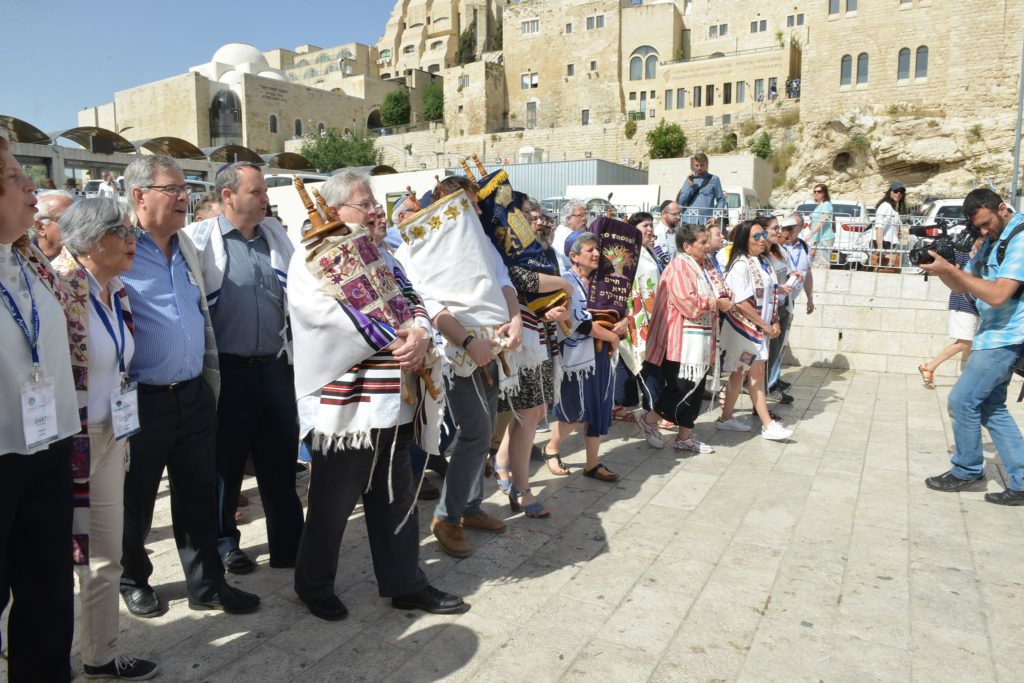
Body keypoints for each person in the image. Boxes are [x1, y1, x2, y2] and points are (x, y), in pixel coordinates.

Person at [290, 169, 467, 618]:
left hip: (398, 399)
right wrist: (397, 338)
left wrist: (422, 333)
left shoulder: (384, 255)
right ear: (335, 211)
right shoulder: (311, 255)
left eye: (373, 204)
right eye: (364, 204)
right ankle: (313, 586)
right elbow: (324, 317)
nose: (373, 212)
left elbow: (413, 297)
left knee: (396, 496)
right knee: (332, 503)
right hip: (348, 409)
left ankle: (405, 582)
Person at [119, 155, 260, 618]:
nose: (184, 197)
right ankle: (133, 578)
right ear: (140, 196)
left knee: (198, 493)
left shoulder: (185, 244)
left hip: (194, 392)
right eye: (171, 189)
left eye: (185, 188)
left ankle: (207, 584)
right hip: (141, 399)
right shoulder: (117, 246)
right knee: (135, 500)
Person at [52, 197, 158, 681]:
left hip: (112, 436)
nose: (134, 239)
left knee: (105, 557)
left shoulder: (115, 290)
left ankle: (101, 655)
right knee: (47, 562)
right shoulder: (57, 286)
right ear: (95, 241)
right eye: (124, 231)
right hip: (62, 445)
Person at [185, 161, 304, 575]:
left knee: (279, 462)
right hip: (228, 374)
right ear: (227, 196)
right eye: (255, 192)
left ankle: (289, 544)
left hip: (275, 368)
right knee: (226, 465)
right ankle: (225, 544)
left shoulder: (276, 239)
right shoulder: (199, 244)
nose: (264, 198)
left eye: (264, 191)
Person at [0, 136, 82, 682]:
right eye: (12, 177)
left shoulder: (26, 261)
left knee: (48, 589)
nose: (31, 184)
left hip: (46, 445)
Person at [920, 188, 1024, 504]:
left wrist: (952, 271)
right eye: (977, 227)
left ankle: (967, 471)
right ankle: (1022, 481)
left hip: (1008, 336)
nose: (983, 231)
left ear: (1002, 208)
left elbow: (996, 295)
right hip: (991, 334)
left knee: (962, 400)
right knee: (992, 407)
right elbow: (964, 285)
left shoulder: (1020, 239)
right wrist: (942, 268)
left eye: (986, 223)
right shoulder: (993, 241)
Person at [638, 225, 732, 453]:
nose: (707, 246)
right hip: (679, 340)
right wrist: (716, 303)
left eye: (707, 241)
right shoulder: (679, 266)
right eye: (702, 242)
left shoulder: (707, 265)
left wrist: (724, 299)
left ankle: (685, 437)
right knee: (681, 387)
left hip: (702, 340)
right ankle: (650, 420)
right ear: (687, 246)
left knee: (697, 388)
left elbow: (723, 289)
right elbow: (688, 303)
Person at [545, 231, 625, 482]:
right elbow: (578, 322)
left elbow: (618, 309)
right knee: (576, 408)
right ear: (573, 256)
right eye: (590, 250)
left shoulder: (603, 282)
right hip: (577, 358)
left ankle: (592, 463)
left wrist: (622, 323)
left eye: (597, 249)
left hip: (600, 354)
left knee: (599, 408)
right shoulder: (565, 282)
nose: (596, 254)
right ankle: (551, 448)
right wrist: (612, 336)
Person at [716, 220, 793, 441]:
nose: (762, 240)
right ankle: (767, 424)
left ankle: (725, 417)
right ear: (744, 240)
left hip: (760, 328)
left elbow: (772, 293)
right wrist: (764, 325)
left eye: (762, 236)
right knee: (756, 373)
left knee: (739, 373)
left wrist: (775, 320)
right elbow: (740, 302)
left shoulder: (763, 262)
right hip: (745, 331)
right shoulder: (740, 265)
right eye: (756, 237)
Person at [614, 211, 664, 421]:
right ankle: (644, 407)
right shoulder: (627, 253)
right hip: (634, 314)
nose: (650, 229)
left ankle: (625, 403)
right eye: (645, 225)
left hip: (651, 313)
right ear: (633, 230)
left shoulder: (650, 252)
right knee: (636, 358)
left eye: (652, 225)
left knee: (636, 360)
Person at [919, 246, 981, 389]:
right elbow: (950, 271)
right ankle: (929, 366)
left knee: (971, 343)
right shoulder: (962, 254)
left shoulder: (981, 257)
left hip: (976, 303)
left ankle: (966, 378)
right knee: (966, 342)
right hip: (962, 301)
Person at [771, 213, 815, 393]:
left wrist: (810, 297)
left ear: (800, 228)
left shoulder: (804, 246)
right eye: (786, 228)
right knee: (773, 343)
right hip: (776, 301)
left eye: (793, 227)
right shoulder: (776, 248)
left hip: (789, 301)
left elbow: (807, 273)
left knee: (781, 343)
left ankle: (774, 378)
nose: (789, 231)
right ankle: (769, 383)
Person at [763, 215, 796, 404]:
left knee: (774, 355)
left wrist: (793, 275)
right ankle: (760, 400)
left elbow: (786, 271)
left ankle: (764, 396)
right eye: (775, 228)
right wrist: (778, 288)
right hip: (767, 313)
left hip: (782, 307)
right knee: (762, 360)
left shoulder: (780, 250)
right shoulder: (759, 255)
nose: (779, 231)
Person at [676, 153, 726, 228]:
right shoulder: (689, 179)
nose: (699, 168)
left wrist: (716, 216)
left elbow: (721, 199)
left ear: (707, 164)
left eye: (702, 165)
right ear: (693, 165)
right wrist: (690, 186)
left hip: (705, 221)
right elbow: (681, 201)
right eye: (696, 165)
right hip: (689, 220)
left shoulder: (714, 179)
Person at [872, 182, 907, 270]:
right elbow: (879, 227)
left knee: (892, 270)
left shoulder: (894, 209)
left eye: (901, 192)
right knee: (885, 271)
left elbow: (900, 229)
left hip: (891, 244)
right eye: (896, 191)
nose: (899, 193)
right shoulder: (885, 206)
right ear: (890, 192)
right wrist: (880, 248)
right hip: (884, 244)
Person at [33, 189, 74, 260]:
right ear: (40, 228)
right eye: (67, 219)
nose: (77, 224)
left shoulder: (83, 257)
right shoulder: (22, 260)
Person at [552, 200, 588, 272]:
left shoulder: (559, 231)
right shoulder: (569, 238)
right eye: (580, 215)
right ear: (568, 219)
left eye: (585, 215)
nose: (585, 218)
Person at [808, 183, 834, 263]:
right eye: (815, 191)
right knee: (815, 263)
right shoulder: (819, 206)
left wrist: (810, 234)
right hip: (817, 237)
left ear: (824, 193)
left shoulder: (826, 205)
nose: (816, 193)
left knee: (822, 263)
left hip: (824, 238)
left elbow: (822, 222)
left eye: (819, 191)